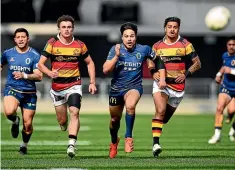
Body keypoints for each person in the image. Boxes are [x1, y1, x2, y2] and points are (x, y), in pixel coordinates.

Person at [103, 22, 166, 159]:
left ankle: (128, 137)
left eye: (132, 36)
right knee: (114, 120)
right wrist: (116, 56)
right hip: (116, 89)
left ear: (136, 37)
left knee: (130, 106)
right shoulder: (115, 49)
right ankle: (114, 142)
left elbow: (158, 60)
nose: (129, 39)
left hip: (134, 87)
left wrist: (161, 77)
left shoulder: (144, 49)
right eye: (126, 36)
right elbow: (106, 69)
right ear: (122, 37)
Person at [37, 15, 97, 158]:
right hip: (57, 88)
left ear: (73, 28)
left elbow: (90, 63)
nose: (66, 30)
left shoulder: (80, 45)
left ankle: (71, 144)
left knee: (74, 113)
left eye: (69, 27)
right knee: (62, 121)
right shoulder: (52, 43)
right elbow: (40, 64)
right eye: (63, 27)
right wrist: (49, 72)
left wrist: (92, 82)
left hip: (74, 85)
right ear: (59, 28)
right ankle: (64, 126)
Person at [148, 17, 201, 157]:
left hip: (178, 88)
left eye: (175, 27)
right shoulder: (157, 46)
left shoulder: (185, 44)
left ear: (178, 28)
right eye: (169, 27)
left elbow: (197, 63)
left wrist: (186, 74)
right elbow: (150, 63)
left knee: (164, 119)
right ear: (165, 28)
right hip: (162, 84)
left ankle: (156, 128)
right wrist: (153, 73)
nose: (172, 29)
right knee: (160, 110)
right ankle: (155, 144)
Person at [1, 28, 42, 155]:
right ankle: (15, 121)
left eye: (23, 37)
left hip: (29, 93)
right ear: (14, 39)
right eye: (18, 37)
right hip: (12, 88)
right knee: (9, 112)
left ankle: (24, 145)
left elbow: (39, 76)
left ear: (27, 39)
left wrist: (24, 75)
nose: (20, 39)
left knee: (28, 125)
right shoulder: (8, 53)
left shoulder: (34, 55)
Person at [208, 36, 235, 144]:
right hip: (226, 87)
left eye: (234, 45)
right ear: (227, 46)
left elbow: (228, 69)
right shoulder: (225, 56)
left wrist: (232, 71)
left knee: (231, 110)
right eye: (230, 44)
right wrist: (218, 75)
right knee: (219, 108)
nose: (232, 47)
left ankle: (231, 121)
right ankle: (217, 135)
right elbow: (224, 67)